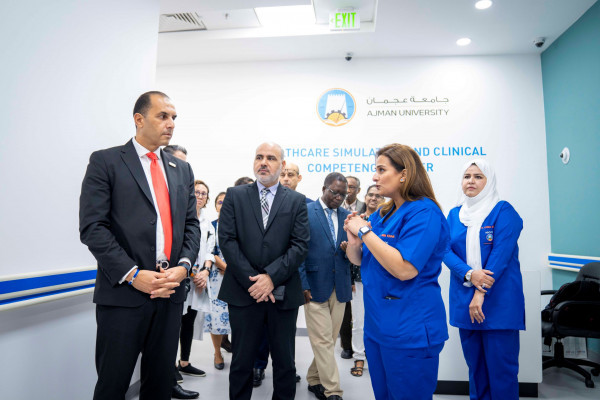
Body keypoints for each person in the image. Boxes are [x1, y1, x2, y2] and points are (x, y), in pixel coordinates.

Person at [79, 91, 200, 400]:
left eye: (174, 117)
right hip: (124, 295)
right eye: (163, 116)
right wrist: (133, 274)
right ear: (139, 119)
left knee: (159, 386)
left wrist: (184, 267)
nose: (171, 123)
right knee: (113, 384)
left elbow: (191, 225)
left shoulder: (181, 169)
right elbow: (93, 228)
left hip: (170, 292)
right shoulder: (106, 161)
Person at [344, 143, 449, 400]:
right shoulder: (384, 213)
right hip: (378, 325)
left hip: (410, 328)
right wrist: (354, 240)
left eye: (381, 170)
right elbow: (359, 260)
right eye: (375, 170)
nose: (374, 177)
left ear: (404, 174)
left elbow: (404, 269)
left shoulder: (425, 212)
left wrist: (364, 232)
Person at [218, 142, 310, 400]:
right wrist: (254, 282)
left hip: (283, 293)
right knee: (241, 362)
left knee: (285, 364)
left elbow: (300, 245)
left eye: (271, 158)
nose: (263, 162)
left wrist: (271, 277)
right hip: (243, 293)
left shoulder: (296, 200)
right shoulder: (235, 195)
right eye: (259, 157)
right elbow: (227, 240)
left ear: (282, 165)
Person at [443, 159, 524, 400]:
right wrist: (470, 274)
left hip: (498, 303)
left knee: (502, 371)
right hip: (464, 300)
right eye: (467, 176)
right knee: (476, 369)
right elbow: (444, 250)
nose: (471, 181)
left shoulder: (504, 211)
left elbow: (500, 256)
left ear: (489, 182)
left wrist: (480, 292)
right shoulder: (455, 214)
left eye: (478, 176)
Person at [299, 172, 352, 400]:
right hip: (314, 286)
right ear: (324, 189)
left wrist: (348, 250)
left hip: (340, 286)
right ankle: (333, 391)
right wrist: (303, 284)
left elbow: (353, 255)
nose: (338, 197)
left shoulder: (348, 217)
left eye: (343, 194)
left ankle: (314, 378)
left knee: (327, 341)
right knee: (322, 340)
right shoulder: (306, 212)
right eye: (334, 192)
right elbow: (298, 250)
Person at [175, 180, 214, 382]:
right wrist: (190, 271)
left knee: (188, 321)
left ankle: (184, 362)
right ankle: (168, 366)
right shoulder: (180, 217)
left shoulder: (208, 224)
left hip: (198, 280)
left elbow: (210, 250)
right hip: (181, 277)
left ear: (207, 198)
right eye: (197, 192)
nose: (200, 196)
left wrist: (205, 271)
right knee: (174, 322)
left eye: (203, 193)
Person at [348, 184, 385, 378]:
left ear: (384, 199)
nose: (374, 198)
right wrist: (350, 279)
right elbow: (351, 250)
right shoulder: (358, 219)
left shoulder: (388, 221)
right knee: (358, 320)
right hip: (360, 278)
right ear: (365, 196)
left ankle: (377, 356)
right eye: (370, 195)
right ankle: (359, 357)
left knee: (380, 319)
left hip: (383, 279)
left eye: (378, 196)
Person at [206, 191, 231, 370]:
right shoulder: (211, 226)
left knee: (236, 316)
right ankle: (217, 353)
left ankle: (234, 347)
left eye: (226, 202)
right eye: (220, 202)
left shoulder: (238, 225)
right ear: (215, 206)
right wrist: (226, 268)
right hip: (217, 277)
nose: (223, 205)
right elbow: (210, 251)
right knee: (215, 316)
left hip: (236, 276)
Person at [339, 175, 363, 359]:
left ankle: (361, 347)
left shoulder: (365, 207)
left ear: (358, 190)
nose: (348, 190)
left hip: (358, 264)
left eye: (352, 187)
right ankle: (346, 346)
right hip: (340, 262)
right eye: (346, 186)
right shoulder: (335, 206)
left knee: (360, 311)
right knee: (344, 310)